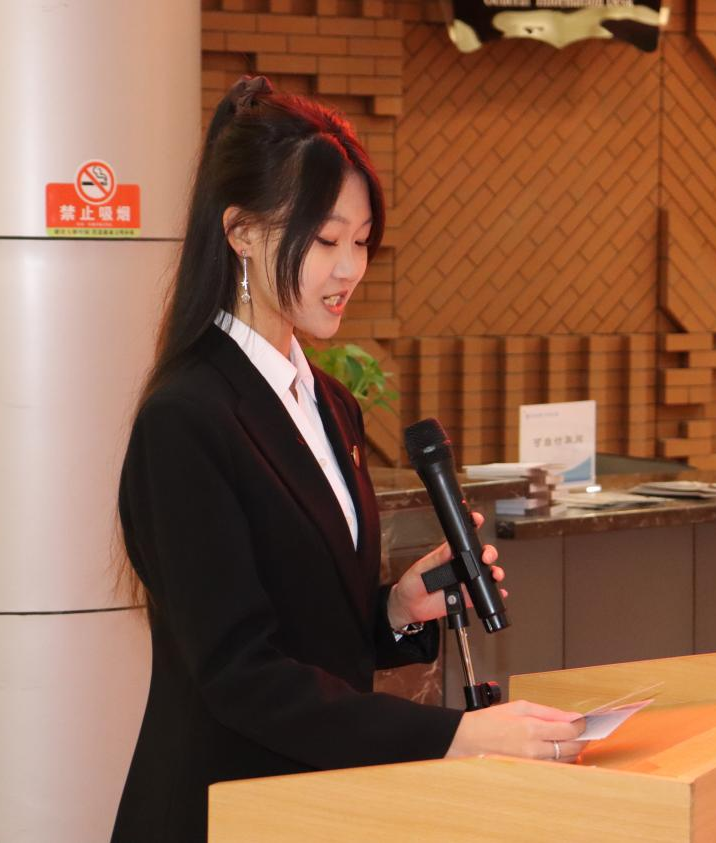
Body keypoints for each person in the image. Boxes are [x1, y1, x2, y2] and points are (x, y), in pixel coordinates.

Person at [111, 76, 586, 841]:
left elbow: (307, 626)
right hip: (223, 809)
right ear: (241, 232)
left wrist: (394, 610)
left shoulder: (331, 404)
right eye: (326, 240)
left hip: (320, 806)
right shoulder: (186, 418)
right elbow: (241, 672)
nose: (349, 269)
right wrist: (454, 735)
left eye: (361, 242)